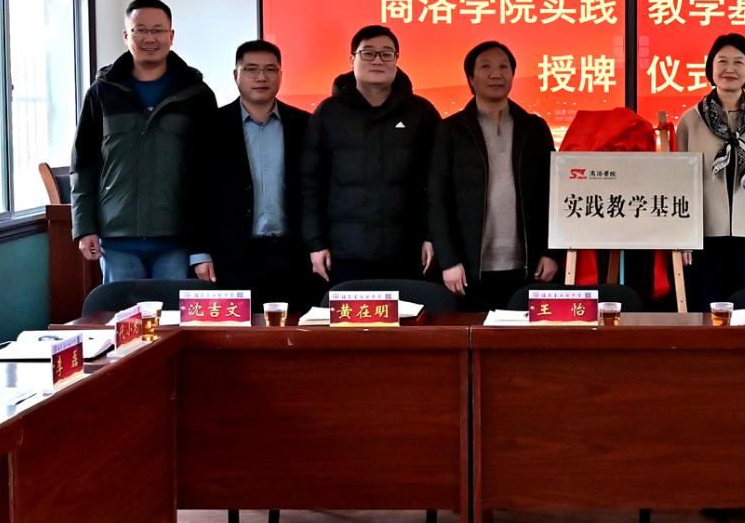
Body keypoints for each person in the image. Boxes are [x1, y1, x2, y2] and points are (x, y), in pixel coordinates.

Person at [70, 0, 216, 281]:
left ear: (171, 36)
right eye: (140, 30)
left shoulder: (196, 94)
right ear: (126, 35)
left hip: (177, 238)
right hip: (117, 238)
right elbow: (83, 165)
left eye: (158, 30)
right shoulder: (102, 92)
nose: (150, 38)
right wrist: (84, 227)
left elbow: (209, 173)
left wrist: (203, 244)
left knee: (174, 311)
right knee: (124, 311)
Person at [302, 25, 440, 285]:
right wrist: (315, 242)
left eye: (386, 53)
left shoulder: (421, 112)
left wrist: (432, 236)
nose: (378, 60)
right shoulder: (328, 113)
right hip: (344, 252)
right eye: (368, 53)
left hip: (408, 251)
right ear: (352, 59)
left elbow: (437, 182)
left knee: (411, 310)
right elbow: (310, 184)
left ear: (396, 60)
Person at [187, 40, 318, 310]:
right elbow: (195, 192)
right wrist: (199, 252)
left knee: (293, 330)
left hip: (293, 255)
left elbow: (316, 189)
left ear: (280, 75)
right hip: (231, 256)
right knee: (238, 331)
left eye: (270, 69)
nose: (261, 77)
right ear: (235, 74)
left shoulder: (305, 124)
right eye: (251, 69)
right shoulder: (209, 127)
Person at [428, 41, 557, 311]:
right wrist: (449, 261)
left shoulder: (534, 128)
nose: (496, 74)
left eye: (503, 67)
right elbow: (437, 198)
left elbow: (552, 193)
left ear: (513, 74)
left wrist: (550, 252)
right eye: (485, 67)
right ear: (470, 78)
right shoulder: (450, 130)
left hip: (528, 265)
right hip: (468, 268)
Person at [677, 33, 745, 309]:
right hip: (704, 237)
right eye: (722, 61)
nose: (730, 69)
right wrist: (683, 238)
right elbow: (679, 186)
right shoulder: (691, 120)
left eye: (738, 62)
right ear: (711, 69)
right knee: (705, 313)